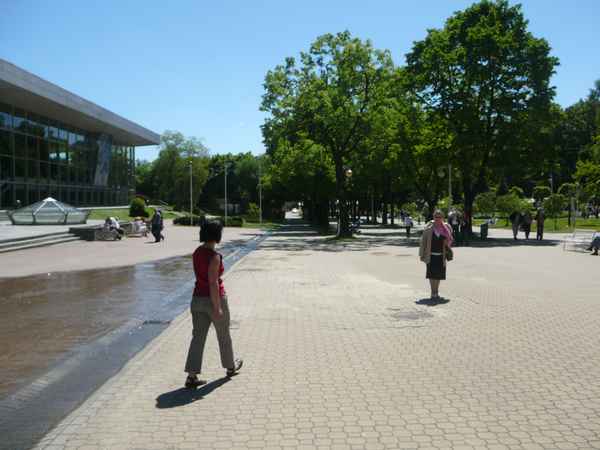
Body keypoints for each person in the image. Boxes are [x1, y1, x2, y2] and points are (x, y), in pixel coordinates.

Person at [184, 220, 243, 388]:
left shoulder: (197, 252)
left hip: (197, 299)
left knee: (198, 338)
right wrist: (217, 307)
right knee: (223, 335)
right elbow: (213, 283)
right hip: (214, 300)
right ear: (217, 235)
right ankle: (230, 367)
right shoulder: (214, 257)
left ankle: (191, 376)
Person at [419, 210, 454, 300]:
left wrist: (447, 243)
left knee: (438, 275)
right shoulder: (429, 227)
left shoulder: (447, 227)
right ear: (433, 217)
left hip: (441, 255)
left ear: (443, 218)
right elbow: (423, 241)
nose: (438, 218)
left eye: (439, 217)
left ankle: (436, 292)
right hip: (430, 255)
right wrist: (421, 254)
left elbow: (450, 239)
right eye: (436, 217)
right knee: (431, 275)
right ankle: (433, 292)